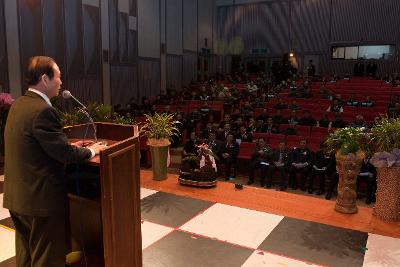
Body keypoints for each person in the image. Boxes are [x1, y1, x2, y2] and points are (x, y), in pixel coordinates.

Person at [3, 56, 107, 267]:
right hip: (39, 201)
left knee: (26, 256)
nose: (61, 82)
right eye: (58, 76)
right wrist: (90, 152)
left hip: (17, 198)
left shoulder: (19, 105)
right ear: (45, 78)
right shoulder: (43, 110)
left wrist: (71, 147)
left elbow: (36, 146)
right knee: (46, 259)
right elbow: (63, 154)